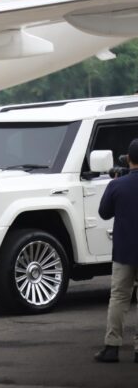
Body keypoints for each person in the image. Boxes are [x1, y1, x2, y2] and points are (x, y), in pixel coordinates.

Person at [94, 139, 138, 363]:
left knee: (119, 297)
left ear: (129, 159)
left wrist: (114, 184)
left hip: (124, 251)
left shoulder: (117, 185)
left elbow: (103, 213)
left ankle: (112, 347)